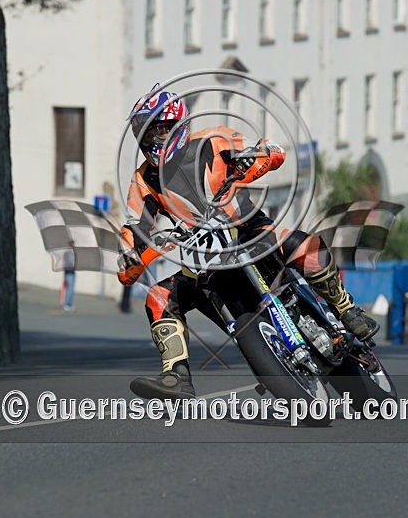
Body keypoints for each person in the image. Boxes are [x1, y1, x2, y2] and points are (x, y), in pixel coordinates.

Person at [117, 85, 379, 399]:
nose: (152, 141)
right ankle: (176, 376)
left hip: (250, 233)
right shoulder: (143, 180)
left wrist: (259, 158)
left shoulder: (213, 142)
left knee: (303, 246)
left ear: (176, 126)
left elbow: (271, 152)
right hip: (204, 261)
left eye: (158, 131)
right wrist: (129, 253)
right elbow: (136, 226)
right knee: (159, 295)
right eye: (145, 134)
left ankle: (348, 310)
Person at [62, 240, 76, 311]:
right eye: (72, 245)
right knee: (69, 289)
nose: (73, 246)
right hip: (68, 272)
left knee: (72, 289)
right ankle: (66, 304)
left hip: (73, 272)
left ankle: (70, 304)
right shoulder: (67, 253)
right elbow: (66, 264)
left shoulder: (74, 253)